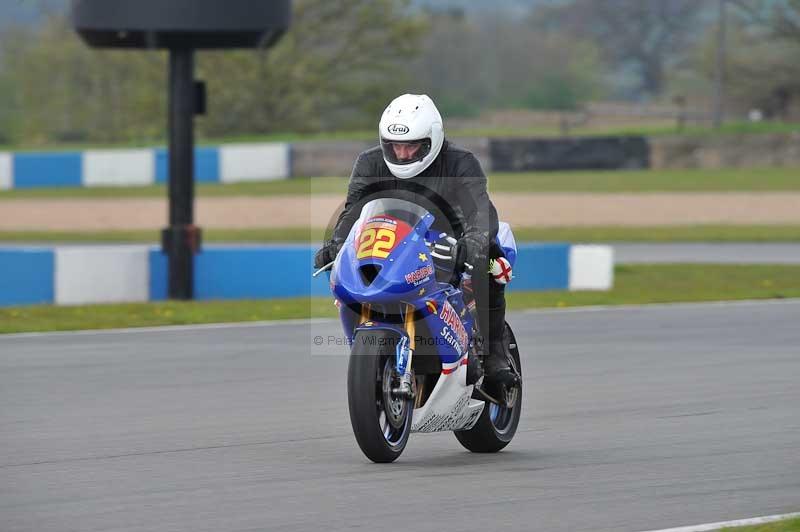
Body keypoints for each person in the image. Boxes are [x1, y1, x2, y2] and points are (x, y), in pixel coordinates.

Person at [314, 93, 519, 390]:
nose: (403, 154)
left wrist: (472, 243)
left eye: (411, 146)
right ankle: (376, 355)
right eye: (395, 146)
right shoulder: (369, 162)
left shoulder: (460, 162)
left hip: (454, 241)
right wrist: (336, 244)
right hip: (396, 242)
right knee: (352, 275)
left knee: (491, 265)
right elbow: (353, 209)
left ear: (431, 141)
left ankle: (495, 354)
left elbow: (481, 210)